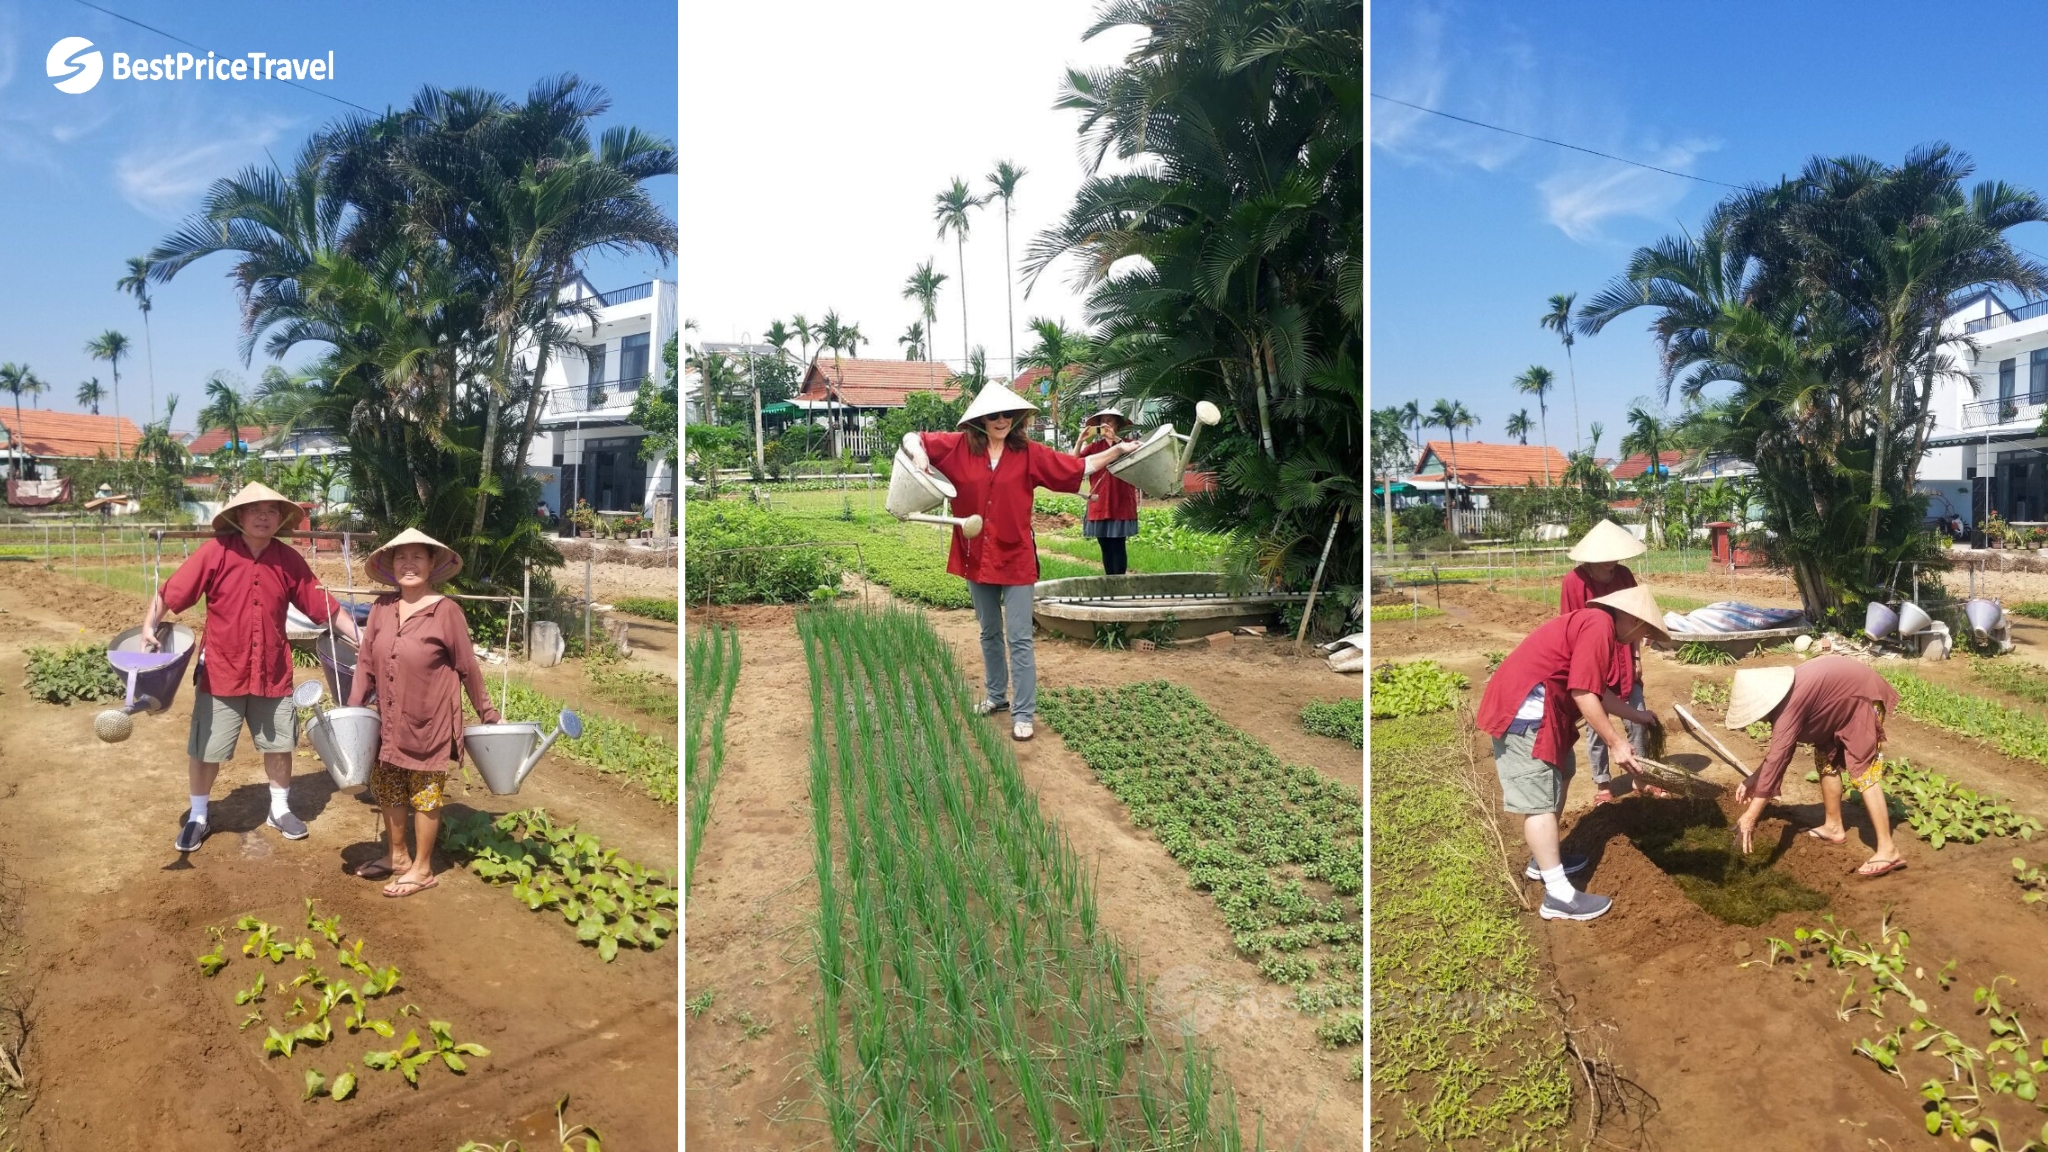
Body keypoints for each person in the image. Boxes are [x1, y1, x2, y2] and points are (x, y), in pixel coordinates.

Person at [900, 381, 1139, 741]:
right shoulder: (959, 446)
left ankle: (1023, 711)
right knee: (989, 631)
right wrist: (921, 457)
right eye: (994, 415)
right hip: (976, 554)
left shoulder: (1029, 453)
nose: (1002, 420)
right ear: (981, 419)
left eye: (1008, 414)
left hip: (1015, 556)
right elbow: (911, 436)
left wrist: (1117, 449)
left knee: (1020, 636)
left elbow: (1080, 466)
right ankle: (997, 697)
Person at [141, 482, 361, 853]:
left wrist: (360, 636)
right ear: (239, 516)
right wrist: (148, 626)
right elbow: (172, 592)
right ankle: (198, 815)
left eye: (272, 511)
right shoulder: (216, 553)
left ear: (280, 519)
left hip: (272, 669)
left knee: (279, 744)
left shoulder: (287, 559)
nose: (263, 516)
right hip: (222, 670)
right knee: (207, 748)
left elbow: (323, 604)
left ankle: (279, 808)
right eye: (255, 509)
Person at [1476, 585, 1670, 921]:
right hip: (1525, 714)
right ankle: (1559, 897)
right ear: (1630, 618)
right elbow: (1583, 693)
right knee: (1538, 799)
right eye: (1644, 630)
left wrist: (1637, 715)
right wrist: (1616, 743)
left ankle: (1544, 860)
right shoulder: (1599, 625)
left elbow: (1597, 689)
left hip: (1545, 711)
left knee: (1562, 774)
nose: (1641, 638)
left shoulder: (1599, 627)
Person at [345, 528, 502, 897]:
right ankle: (398, 858)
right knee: (388, 789)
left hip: (429, 722)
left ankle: (423, 868)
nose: (409, 564)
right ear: (391, 565)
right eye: (401, 557)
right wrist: (352, 713)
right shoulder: (383, 608)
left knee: (424, 795)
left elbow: (468, 667)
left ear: (432, 564)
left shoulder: (446, 612)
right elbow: (365, 663)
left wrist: (488, 712)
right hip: (388, 720)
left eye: (418, 556)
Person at [1726, 658, 1905, 877]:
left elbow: (1779, 757)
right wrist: (1754, 778)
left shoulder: (1788, 707)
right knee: (1825, 759)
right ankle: (1833, 826)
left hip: (1863, 697)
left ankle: (1888, 850)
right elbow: (1780, 753)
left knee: (1862, 770)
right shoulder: (1785, 697)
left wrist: (1751, 816)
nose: (1759, 720)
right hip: (1839, 702)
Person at [1559, 519, 1664, 804]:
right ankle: (1603, 783)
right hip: (1592, 663)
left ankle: (1641, 778)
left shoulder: (1624, 576)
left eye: (1616, 556)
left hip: (1623, 659)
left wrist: (1636, 655)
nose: (1613, 562)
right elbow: (1569, 628)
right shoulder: (1574, 582)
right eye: (1607, 558)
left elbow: (1635, 619)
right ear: (1591, 558)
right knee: (1597, 724)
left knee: (1637, 717)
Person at [1077, 406, 1141, 576]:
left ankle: (1119, 584)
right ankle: (1109, 583)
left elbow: (1139, 458)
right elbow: (1073, 463)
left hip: (1120, 502)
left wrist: (1116, 441)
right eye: (1102, 421)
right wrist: (1080, 441)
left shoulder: (1128, 445)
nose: (1105, 424)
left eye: (1109, 421)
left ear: (1118, 424)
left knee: (1118, 545)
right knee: (1105, 546)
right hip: (1099, 502)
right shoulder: (1094, 447)